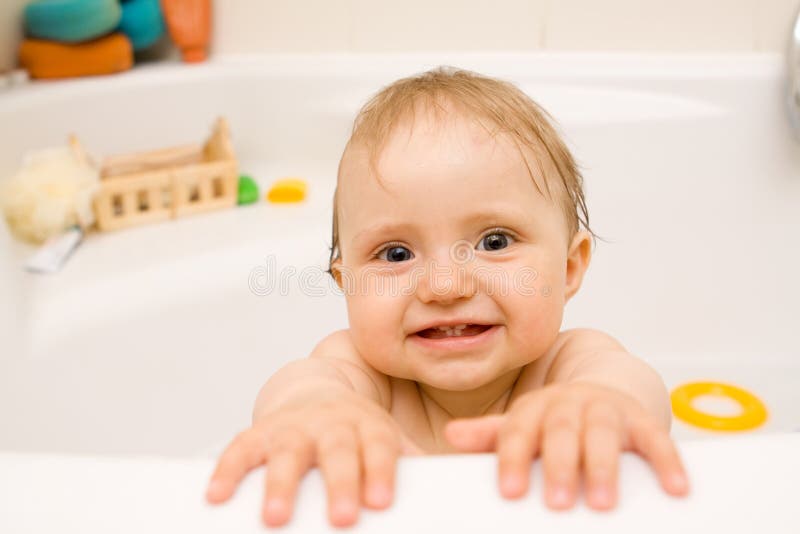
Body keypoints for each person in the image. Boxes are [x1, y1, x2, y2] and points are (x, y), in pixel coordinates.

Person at [205, 66, 689, 527]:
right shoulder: (360, 375)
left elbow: (632, 387)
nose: (445, 286)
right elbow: (301, 387)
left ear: (568, 267)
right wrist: (315, 408)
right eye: (396, 253)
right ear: (347, 282)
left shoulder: (569, 364)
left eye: (494, 242)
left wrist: (598, 404)